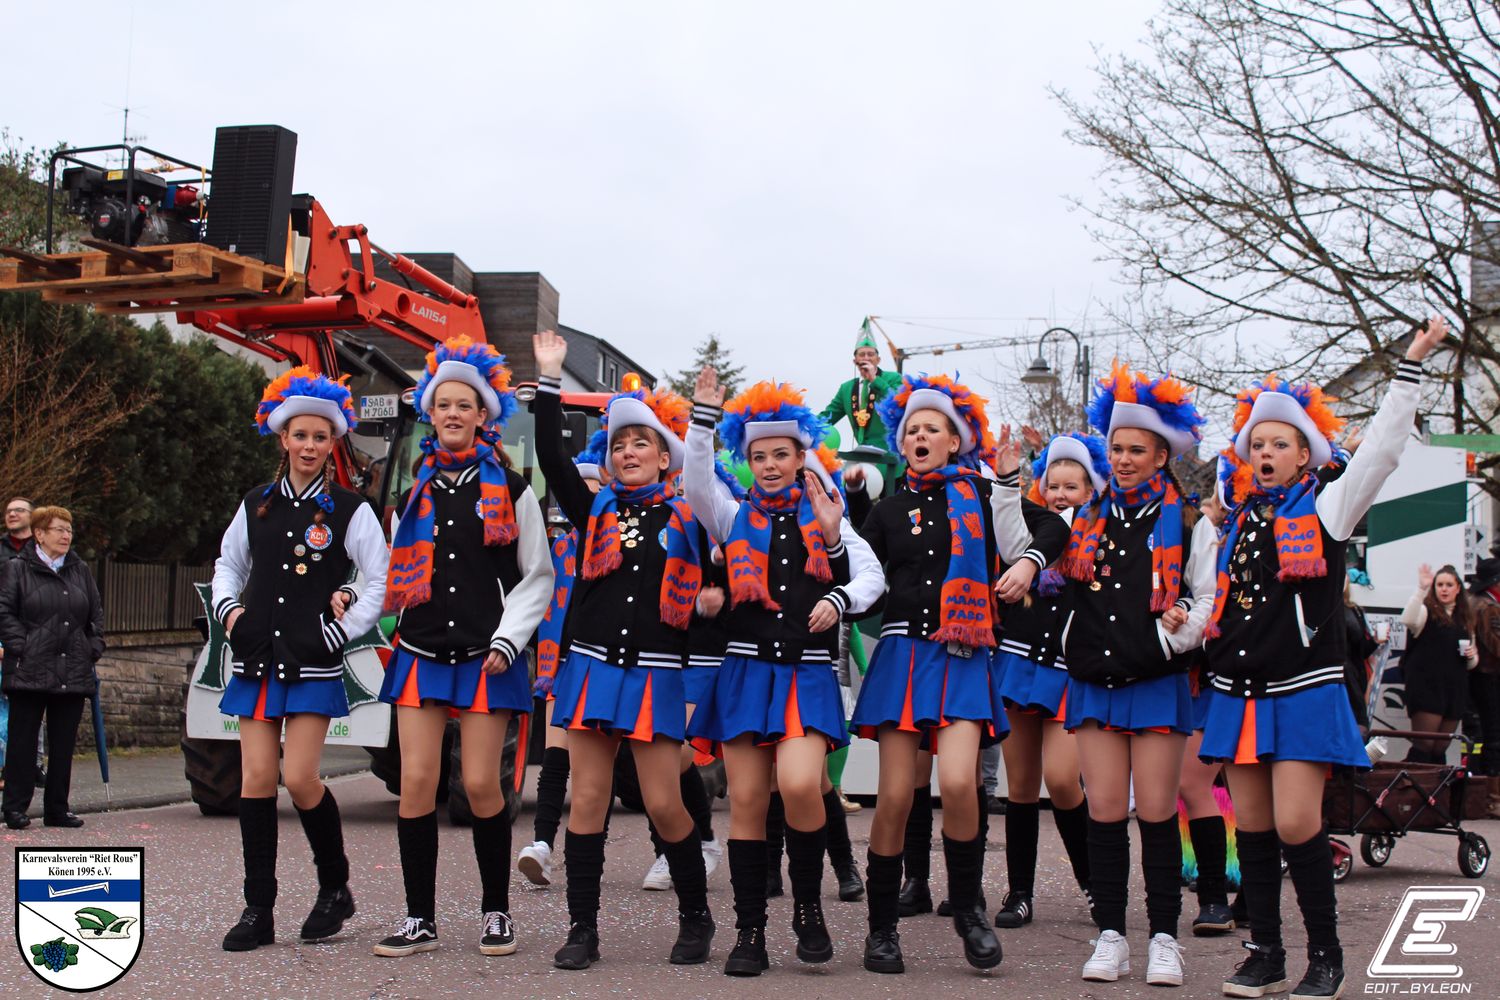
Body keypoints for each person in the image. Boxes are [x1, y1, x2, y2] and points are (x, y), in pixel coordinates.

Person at [1199, 319, 1443, 1000]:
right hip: (1237, 688)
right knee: (1251, 826)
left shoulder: (1329, 507)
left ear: (1306, 455)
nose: (1266, 452)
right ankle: (1266, 954)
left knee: (1298, 823)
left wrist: (1410, 366)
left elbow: (1381, 452)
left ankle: (1326, 957)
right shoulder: (1237, 522)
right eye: (1258, 444)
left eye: (1281, 443)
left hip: (1302, 686)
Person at [851, 374, 1065, 975]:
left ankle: (969, 909)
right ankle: (881, 928)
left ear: (954, 440)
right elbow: (863, 582)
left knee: (961, 783)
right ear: (903, 445)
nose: (920, 437)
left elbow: (1054, 528)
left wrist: (1027, 562)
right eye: (912, 430)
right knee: (896, 796)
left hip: (964, 655)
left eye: (932, 429)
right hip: (902, 657)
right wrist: (841, 525)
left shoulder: (982, 492)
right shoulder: (889, 510)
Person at [684, 372, 884, 975]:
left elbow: (871, 579)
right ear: (747, 463)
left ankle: (807, 908)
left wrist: (839, 595)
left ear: (801, 458)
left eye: (781, 455)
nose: (770, 466)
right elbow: (696, 483)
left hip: (806, 672)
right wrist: (703, 419)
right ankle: (749, 932)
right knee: (747, 800)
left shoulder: (828, 513)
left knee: (799, 785)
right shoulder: (731, 515)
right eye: (759, 457)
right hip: (746, 673)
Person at [533, 328, 716, 971]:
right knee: (587, 800)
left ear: (665, 458)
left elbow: (716, 579)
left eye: (642, 442)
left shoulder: (691, 516)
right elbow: (553, 459)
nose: (629, 450)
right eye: (620, 443)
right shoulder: (594, 511)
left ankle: (696, 916)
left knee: (664, 803)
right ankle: (583, 930)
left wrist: (704, 419)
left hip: (657, 674)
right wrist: (549, 379)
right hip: (591, 668)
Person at [373, 337, 553, 959]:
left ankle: (496, 911)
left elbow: (538, 576)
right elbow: (387, 573)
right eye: (443, 404)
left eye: (464, 405)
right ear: (431, 413)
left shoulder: (515, 489)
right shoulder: (410, 496)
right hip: (420, 652)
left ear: (483, 415)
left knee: (480, 784)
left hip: (487, 655)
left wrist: (509, 639)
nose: (452, 413)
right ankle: (418, 918)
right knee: (416, 782)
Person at [211, 368, 390, 951]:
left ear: (333, 442)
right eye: (300, 436)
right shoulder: (256, 503)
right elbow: (228, 565)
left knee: (299, 777)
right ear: (283, 438)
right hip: (257, 656)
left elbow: (380, 577)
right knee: (257, 779)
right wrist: (230, 615)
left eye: (320, 437)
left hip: (312, 660)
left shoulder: (350, 509)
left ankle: (334, 887)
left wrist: (343, 629)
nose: (309, 446)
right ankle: (258, 908)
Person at [1058, 363, 1212, 988]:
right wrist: (1012, 481)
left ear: (1161, 456)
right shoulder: (1083, 518)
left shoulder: (1189, 523)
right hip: (1094, 681)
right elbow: (1023, 545)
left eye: (1135, 451)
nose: (1122, 460)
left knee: (1155, 812)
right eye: (1116, 449)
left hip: (1154, 681)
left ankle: (1165, 939)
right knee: (1103, 813)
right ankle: (1112, 936)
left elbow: (1207, 598)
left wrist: (1175, 631)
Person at [988, 432, 1108, 929]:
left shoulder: (1100, 536)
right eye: (1053, 485)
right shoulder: (1033, 529)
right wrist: (1006, 478)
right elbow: (1006, 529)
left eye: (1071, 486)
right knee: (1020, 784)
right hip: (1019, 664)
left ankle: (1093, 884)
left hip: (1069, 672)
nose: (1060, 494)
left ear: (1090, 490)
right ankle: (1020, 892)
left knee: (1061, 779)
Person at [0, 506, 104, 830]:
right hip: (29, 668)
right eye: (59, 529)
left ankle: (57, 808)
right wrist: (22, 646)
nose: (66, 535)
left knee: (63, 743)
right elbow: (4, 612)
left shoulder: (80, 570)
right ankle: (15, 808)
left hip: (73, 668)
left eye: (69, 530)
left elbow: (95, 616)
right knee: (22, 742)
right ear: (39, 534)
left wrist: (92, 649)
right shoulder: (17, 568)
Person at [1400, 562, 1478, 762]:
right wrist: (1421, 589)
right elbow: (1407, 619)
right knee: (1424, 744)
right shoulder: (1425, 611)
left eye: (1449, 585)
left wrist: (1471, 655)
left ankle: (1437, 783)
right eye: (1440, 585)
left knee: (1440, 747)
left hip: (1454, 688)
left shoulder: (1465, 618)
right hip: (1427, 686)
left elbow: (1472, 663)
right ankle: (1407, 780)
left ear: (1458, 588)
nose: (1444, 589)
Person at [1467, 557, 1500, 817]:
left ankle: (1487, 795)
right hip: (1489, 677)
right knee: (1494, 736)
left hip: (1478, 677)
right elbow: (1495, 643)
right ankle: (1493, 798)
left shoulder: (1473, 600)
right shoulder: (1488, 606)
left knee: (1485, 735)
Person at [1, 497, 34, 567]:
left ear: (33, 516)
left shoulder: (45, 546)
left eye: (19, 510)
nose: (11, 514)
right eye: (8, 511)